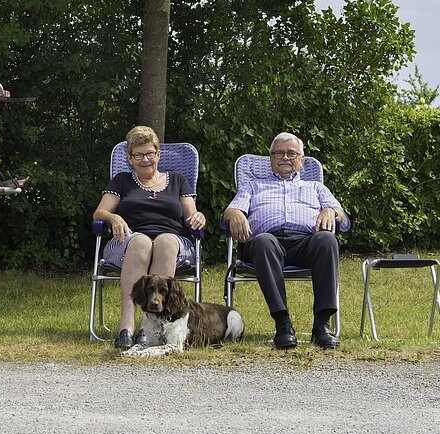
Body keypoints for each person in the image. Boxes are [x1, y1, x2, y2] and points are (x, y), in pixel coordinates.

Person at [221, 132, 349, 349]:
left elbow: (343, 221)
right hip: (265, 242)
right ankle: (283, 324)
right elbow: (230, 213)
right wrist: (233, 213)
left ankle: (321, 325)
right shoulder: (252, 185)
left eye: (291, 153)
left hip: (305, 242)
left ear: (302, 160)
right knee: (264, 242)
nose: (285, 158)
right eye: (278, 153)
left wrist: (331, 211)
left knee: (327, 240)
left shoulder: (316, 188)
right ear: (271, 158)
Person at [93, 126, 206, 349]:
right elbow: (99, 212)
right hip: (128, 240)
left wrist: (198, 217)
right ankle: (127, 325)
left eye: (150, 153)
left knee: (164, 241)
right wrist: (113, 218)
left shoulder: (177, 180)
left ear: (158, 155)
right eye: (139, 155)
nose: (145, 159)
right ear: (130, 158)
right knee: (142, 241)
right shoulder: (121, 181)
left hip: (173, 242)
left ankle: (148, 327)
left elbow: (191, 215)